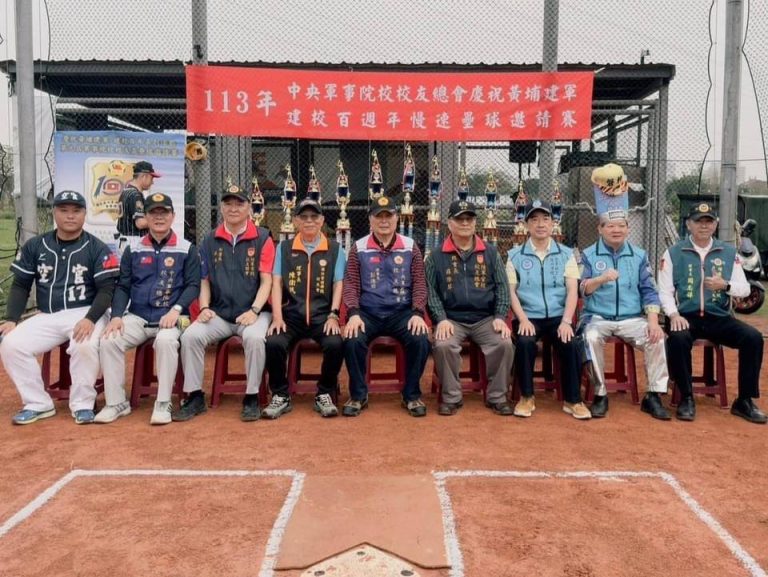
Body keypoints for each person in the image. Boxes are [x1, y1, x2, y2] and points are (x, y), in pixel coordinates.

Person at [0, 190, 119, 425]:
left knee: (84, 345)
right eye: (64, 210)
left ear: (84, 214)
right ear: (54, 212)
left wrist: (90, 318)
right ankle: (37, 403)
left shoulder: (97, 248)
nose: (70, 216)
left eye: (76, 211)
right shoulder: (36, 246)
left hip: (87, 311)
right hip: (48, 315)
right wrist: (12, 318)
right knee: (11, 344)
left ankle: (83, 404)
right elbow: (21, 285)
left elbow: (107, 290)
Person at [96, 193, 200, 425]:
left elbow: (193, 285)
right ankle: (116, 402)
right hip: (138, 316)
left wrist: (176, 310)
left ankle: (163, 402)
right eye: (154, 213)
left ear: (173, 216)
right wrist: (116, 316)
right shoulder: (133, 249)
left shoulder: (186, 248)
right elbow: (123, 286)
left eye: (164, 212)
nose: (159, 217)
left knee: (165, 341)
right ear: (146, 217)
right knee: (109, 340)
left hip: (174, 316)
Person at [174, 183, 274, 422]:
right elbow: (204, 280)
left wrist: (254, 310)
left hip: (254, 312)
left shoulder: (262, 238)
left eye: (239, 203)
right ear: (221, 208)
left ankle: (252, 397)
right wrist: (204, 307)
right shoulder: (210, 239)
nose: (233, 208)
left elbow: (266, 281)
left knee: (254, 338)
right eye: (228, 203)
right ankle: (195, 396)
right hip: (219, 313)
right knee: (190, 336)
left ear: (249, 208)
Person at [659, 202, 766, 424]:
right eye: (698, 221)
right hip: (686, 316)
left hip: (718, 317)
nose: (704, 226)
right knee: (678, 338)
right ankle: (686, 397)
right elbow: (665, 291)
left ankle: (744, 400)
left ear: (716, 225)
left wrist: (725, 285)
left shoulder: (728, 253)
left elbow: (745, 289)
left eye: (709, 221)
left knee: (753, 338)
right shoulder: (673, 253)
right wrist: (673, 315)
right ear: (689, 224)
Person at [579, 163, 670, 420]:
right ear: (600, 228)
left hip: (631, 318)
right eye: (610, 226)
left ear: (628, 228)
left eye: (621, 225)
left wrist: (653, 321)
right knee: (590, 337)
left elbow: (649, 291)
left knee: (657, 338)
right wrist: (601, 279)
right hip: (598, 316)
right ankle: (600, 394)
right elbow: (583, 289)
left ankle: (654, 395)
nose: (616, 230)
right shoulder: (588, 254)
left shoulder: (639, 256)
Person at [342, 196, 431, 417]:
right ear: (370, 220)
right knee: (352, 339)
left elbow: (420, 283)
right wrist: (353, 313)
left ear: (397, 218)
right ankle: (358, 395)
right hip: (367, 313)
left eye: (388, 216)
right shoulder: (358, 248)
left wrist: (418, 312)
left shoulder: (410, 247)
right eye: (378, 216)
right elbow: (351, 284)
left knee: (420, 339)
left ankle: (411, 395)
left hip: (402, 313)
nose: (384, 221)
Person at [425, 199, 514, 416]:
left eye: (469, 219)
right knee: (444, 345)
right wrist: (440, 319)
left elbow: (502, 287)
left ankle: (497, 396)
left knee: (504, 343)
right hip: (452, 319)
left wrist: (500, 316)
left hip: (485, 318)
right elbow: (430, 291)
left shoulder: (491, 253)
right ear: (449, 223)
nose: (465, 223)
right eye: (460, 219)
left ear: (475, 223)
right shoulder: (436, 256)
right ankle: (451, 397)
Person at [507, 200, 591, 420]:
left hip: (558, 316)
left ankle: (573, 400)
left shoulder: (566, 254)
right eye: (534, 219)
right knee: (525, 342)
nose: (540, 224)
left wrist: (566, 321)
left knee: (570, 342)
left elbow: (572, 290)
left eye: (545, 219)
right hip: (529, 316)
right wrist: (523, 319)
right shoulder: (514, 255)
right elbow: (511, 292)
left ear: (553, 223)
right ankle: (526, 397)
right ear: (526, 225)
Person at [264, 198, 346, 419]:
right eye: (304, 217)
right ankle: (280, 394)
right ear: (296, 221)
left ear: (322, 220)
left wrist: (333, 315)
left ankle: (324, 392)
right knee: (273, 342)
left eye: (314, 216)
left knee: (336, 344)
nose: (309, 221)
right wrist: (277, 317)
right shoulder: (284, 248)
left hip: (322, 316)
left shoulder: (335, 249)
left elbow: (338, 284)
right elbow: (276, 283)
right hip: (291, 316)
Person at [115, 160, 160, 257]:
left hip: (125, 240)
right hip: (132, 241)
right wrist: (158, 221)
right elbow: (140, 223)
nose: (152, 182)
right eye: (152, 178)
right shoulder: (135, 195)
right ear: (144, 176)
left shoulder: (126, 191)